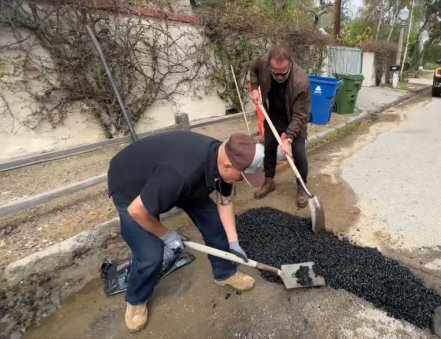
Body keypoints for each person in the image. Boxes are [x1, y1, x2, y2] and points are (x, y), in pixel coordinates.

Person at [107, 131, 265, 332]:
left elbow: (225, 202)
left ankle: (224, 273)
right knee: (151, 254)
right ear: (227, 166)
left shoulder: (223, 157)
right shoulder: (181, 174)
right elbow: (137, 210)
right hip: (130, 187)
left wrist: (233, 242)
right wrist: (166, 235)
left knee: (217, 226)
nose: (242, 181)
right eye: (242, 177)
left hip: (176, 182)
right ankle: (136, 300)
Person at [250, 45, 312, 208]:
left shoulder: (301, 81)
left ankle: (302, 187)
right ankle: (269, 181)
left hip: (294, 120)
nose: (278, 76)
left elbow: (300, 115)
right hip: (273, 117)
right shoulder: (262, 62)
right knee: (269, 150)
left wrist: (288, 138)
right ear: (269, 64)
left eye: (283, 73)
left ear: (290, 64)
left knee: (298, 154)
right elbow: (253, 71)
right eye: (274, 72)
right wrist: (255, 88)